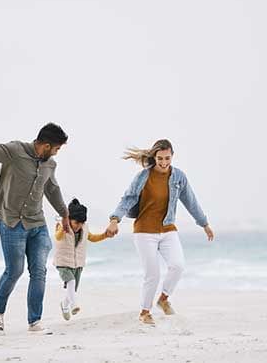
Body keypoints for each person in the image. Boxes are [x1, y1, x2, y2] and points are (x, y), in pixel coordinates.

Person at [0, 112, 71, 334]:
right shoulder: (15, 151)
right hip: (12, 223)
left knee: (39, 271)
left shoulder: (49, 165)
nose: (57, 152)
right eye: (56, 148)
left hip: (37, 224)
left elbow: (52, 189)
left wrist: (64, 214)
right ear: (45, 145)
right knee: (14, 270)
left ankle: (34, 321)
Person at [106, 139, 214, 326]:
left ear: (172, 156)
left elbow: (191, 201)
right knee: (152, 274)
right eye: (160, 159)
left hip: (168, 229)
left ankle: (163, 299)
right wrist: (115, 219)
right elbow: (128, 199)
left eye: (167, 158)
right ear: (154, 157)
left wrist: (204, 223)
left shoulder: (178, 177)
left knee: (178, 265)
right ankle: (144, 312)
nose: (164, 163)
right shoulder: (143, 177)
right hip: (144, 231)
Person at [53, 198, 108, 321]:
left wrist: (105, 235)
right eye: (76, 223)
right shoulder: (61, 225)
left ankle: (65, 305)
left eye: (81, 223)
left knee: (72, 290)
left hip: (78, 263)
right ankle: (74, 305)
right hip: (63, 262)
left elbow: (92, 238)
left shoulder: (84, 228)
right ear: (70, 219)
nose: (78, 226)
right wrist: (64, 227)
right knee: (71, 282)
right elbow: (57, 236)